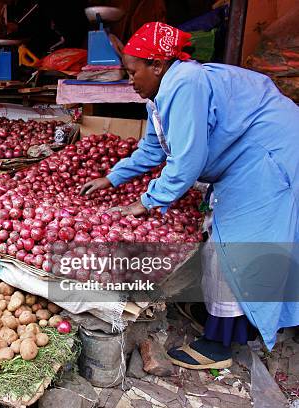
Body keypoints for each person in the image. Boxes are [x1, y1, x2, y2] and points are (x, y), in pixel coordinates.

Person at [81, 22, 299, 369]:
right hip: (248, 155)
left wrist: (147, 202)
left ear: (157, 65)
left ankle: (219, 344)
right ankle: (233, 319)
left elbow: (187, 161)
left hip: (268, 153)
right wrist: (112, 178)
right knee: (227, 236)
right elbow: (153, 149)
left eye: (132, 72)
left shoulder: (185, 83)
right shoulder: (159, 95)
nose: (130, 81)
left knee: (231, 241)